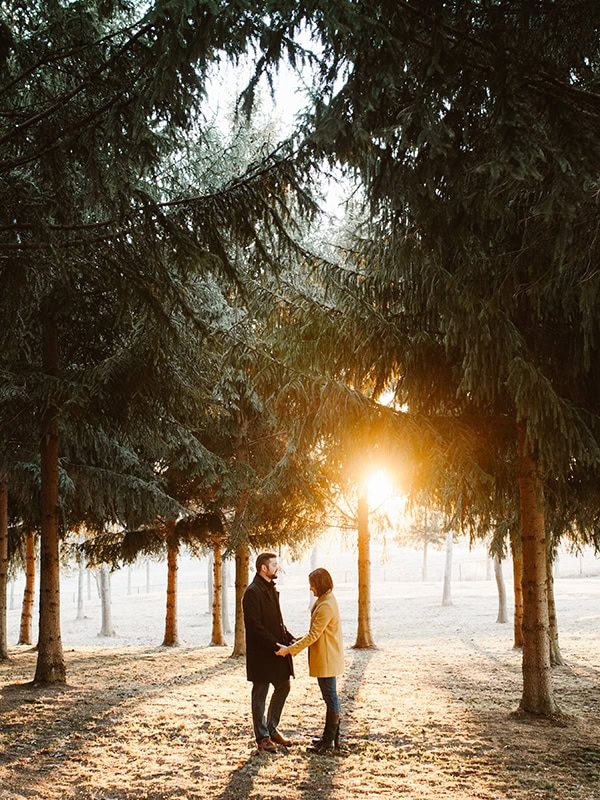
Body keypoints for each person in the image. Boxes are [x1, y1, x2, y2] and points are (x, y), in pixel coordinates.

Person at [275, 567, 343, 753]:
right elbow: (316, 631)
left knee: (330, 698)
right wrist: (296, 641)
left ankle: (329, 741)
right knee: (330, 697)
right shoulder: (326, 600)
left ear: (320, 584)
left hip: (327, 658)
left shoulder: (326, 604)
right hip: (327, 656)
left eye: (312, 585)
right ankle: (330, 739)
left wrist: (289, 650)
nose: (310, 589)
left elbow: (314, 635)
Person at [242, 552, 296, 752]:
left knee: (284, 685)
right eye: (274, 564)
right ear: (263, 568)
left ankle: (272, 728)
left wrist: (289, 638)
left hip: (277, 650)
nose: (277, 567)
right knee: (260, 694)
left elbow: (277, 621)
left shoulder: (271, 589)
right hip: (262, 654)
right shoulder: (252, 592)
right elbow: (255, 627)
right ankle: (262, 737)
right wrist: (275, 646)